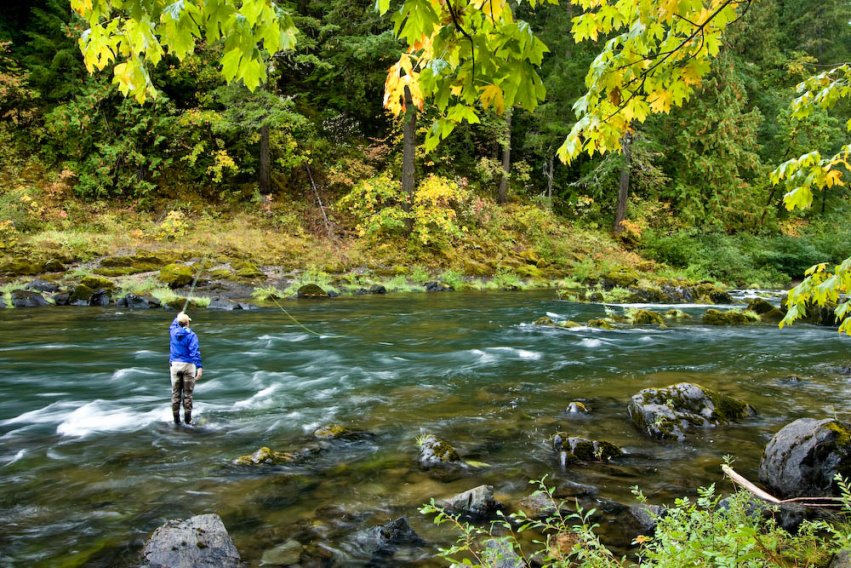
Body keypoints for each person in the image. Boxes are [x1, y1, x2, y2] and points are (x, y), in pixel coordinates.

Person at [169, 311, 203, 424]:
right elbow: (195, 353)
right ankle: (188, 420)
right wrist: (199, 367)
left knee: (175, 394)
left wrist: (178, 315)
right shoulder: (192, 335)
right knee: (188, 394)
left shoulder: (173, 332)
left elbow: (173, 324)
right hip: (188, 366)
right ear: (187, 323)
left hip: (175, 366)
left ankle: (176, 420)